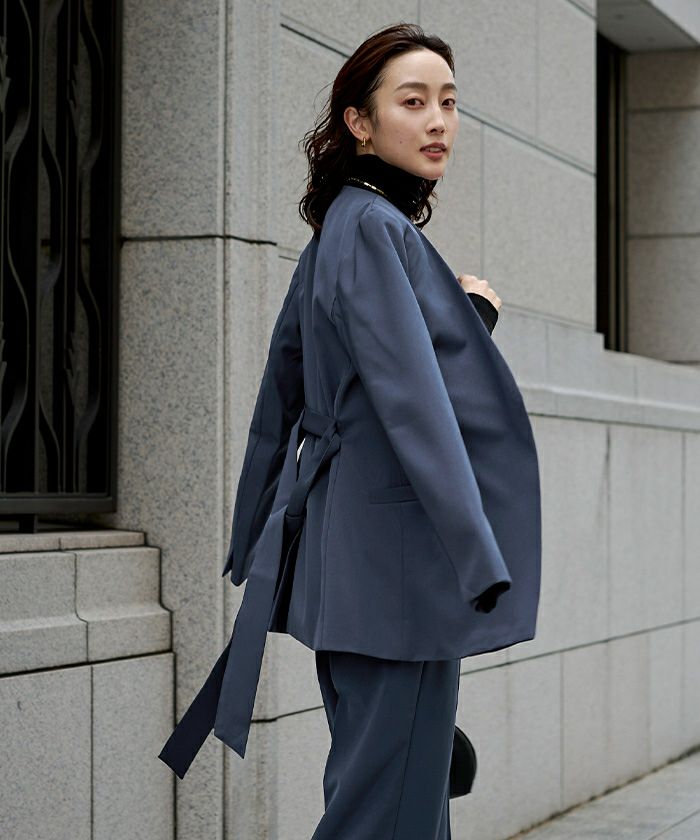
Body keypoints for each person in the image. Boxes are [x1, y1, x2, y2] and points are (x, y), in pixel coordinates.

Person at [158, 22, 542, 840]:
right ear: (358, 122)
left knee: (397, 803)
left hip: (365, 569)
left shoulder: (346, 224)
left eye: (449, 102)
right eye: (413, 101)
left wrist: (255, 525)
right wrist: (477, 555)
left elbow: (287, 391)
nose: (438, 121)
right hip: (396, 575)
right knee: (387, 815)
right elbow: (409, 401)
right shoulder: (372, 227)